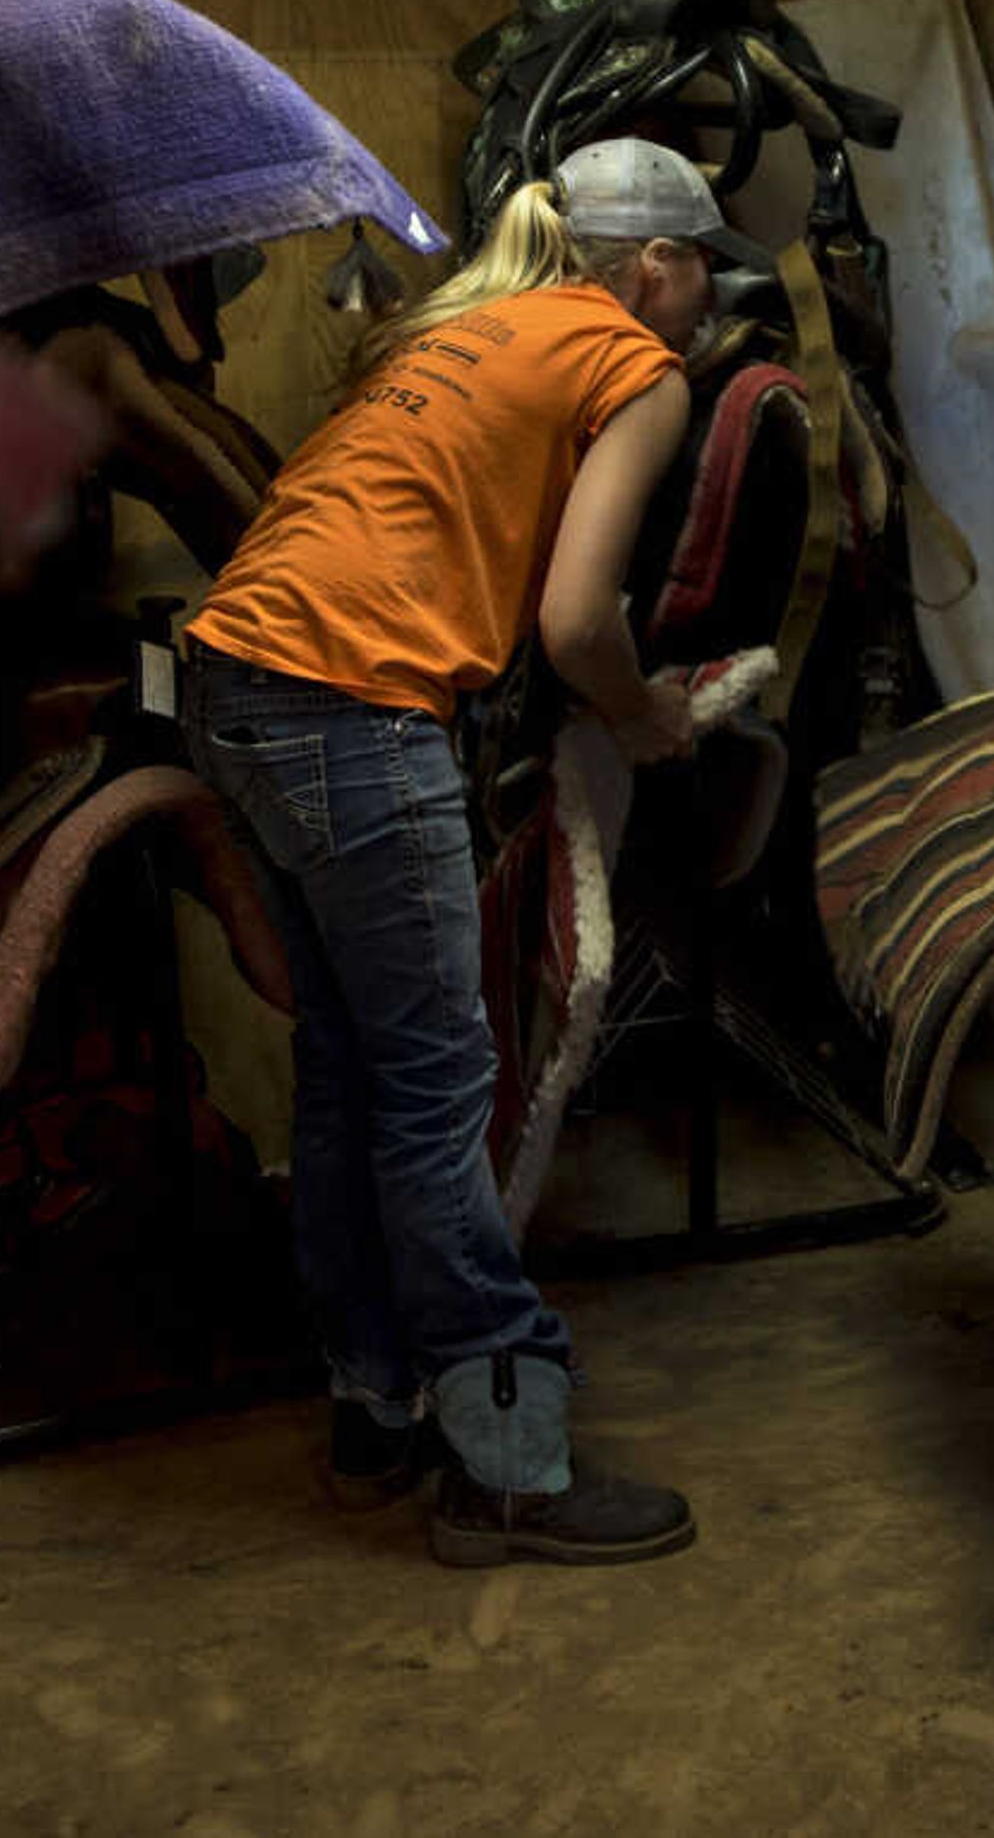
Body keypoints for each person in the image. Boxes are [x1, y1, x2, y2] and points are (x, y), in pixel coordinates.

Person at [182, 136, 760, 1568]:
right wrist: (644, 720)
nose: (700, 311)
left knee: (349, 1065)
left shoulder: (462, 322)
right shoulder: (636, 362)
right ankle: (507, 1456)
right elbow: (576, 620)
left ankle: (373, 1404)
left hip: (232, 681)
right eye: (701, 280)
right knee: (442, 1084)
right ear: (657, 267)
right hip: (349, 700)